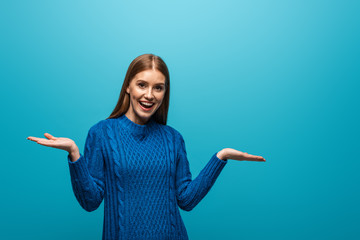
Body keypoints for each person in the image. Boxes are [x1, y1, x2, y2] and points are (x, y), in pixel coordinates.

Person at [27, 53, 266, 240]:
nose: (149, 95)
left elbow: (186, 200)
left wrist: (220, 158)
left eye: (158, 87)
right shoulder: (102, 133)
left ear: (164, 92)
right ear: (128, 87)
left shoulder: (173, 139)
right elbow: (90, 202)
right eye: (142, 85)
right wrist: (74, 154)